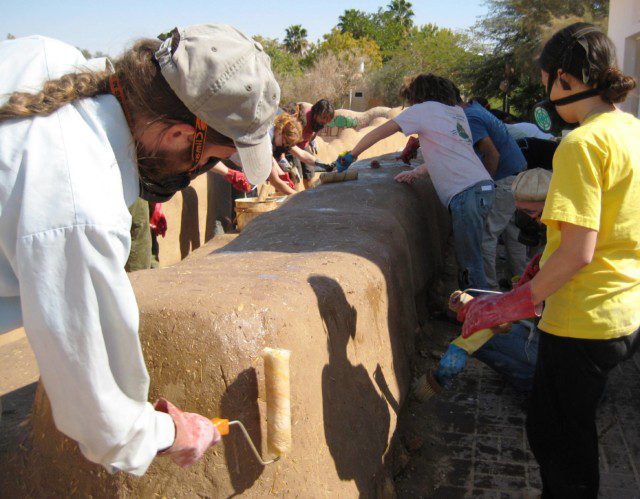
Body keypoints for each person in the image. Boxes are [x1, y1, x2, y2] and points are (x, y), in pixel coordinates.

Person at [0, 25, 280, 474]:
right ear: (176, 136)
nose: (206, 170)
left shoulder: (49, 57)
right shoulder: (80, 206)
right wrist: (173, 433)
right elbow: (102, 419)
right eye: (210, 159)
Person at [458, 23, 639, 497]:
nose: (546, 98)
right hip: (625, 311)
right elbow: (613, 223)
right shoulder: (630, 129)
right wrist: (549, 247)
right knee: (568, 427)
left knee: (559, 442)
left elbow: (579, 253)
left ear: (564, 80)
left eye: (545, 85)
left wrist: (511, 304)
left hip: (583, 318)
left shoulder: (581, 143)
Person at [337, 73, 495, 289]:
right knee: (473, 255)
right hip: (482, 187)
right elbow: (450, 153)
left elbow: (381, 131)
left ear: (418, 94)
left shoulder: (423, 110)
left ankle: (479, 314)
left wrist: (352, 154)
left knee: (470, 263)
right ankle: (475, 306)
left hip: (466, 193)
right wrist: (418, 172)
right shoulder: (456, 112)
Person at [435, 168, 552, 392]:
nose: (522, 220)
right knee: (480, 320)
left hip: (568, 355)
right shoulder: (556, 244)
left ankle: (542, 388)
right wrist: (478, 305)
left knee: (478, 336)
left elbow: (529, 303)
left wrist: (465, 341)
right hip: (555, 336)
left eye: (530, 212)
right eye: (519, 210)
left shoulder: (563, 253)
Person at [457, 91, 529, 291]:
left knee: (486, 236)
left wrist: (485, 187)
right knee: (514, 235)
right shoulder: (476, 108)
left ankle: (488, 290)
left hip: (504, 179)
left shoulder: (470, 118)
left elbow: (492, 155)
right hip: (517, 176)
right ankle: (521, 285)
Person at [290, 99, 335, 188]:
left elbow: (313, 131)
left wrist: (312, 140)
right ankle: (293, 198)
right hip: (292, 147)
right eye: (324, 118)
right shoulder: (303, 118)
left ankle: (310, 198)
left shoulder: (320, 122)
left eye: (328, 119)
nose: (326, 121)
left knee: (309, 175)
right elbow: (289, 138)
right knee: (296, 179)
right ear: (316, 113)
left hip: (304, 145)